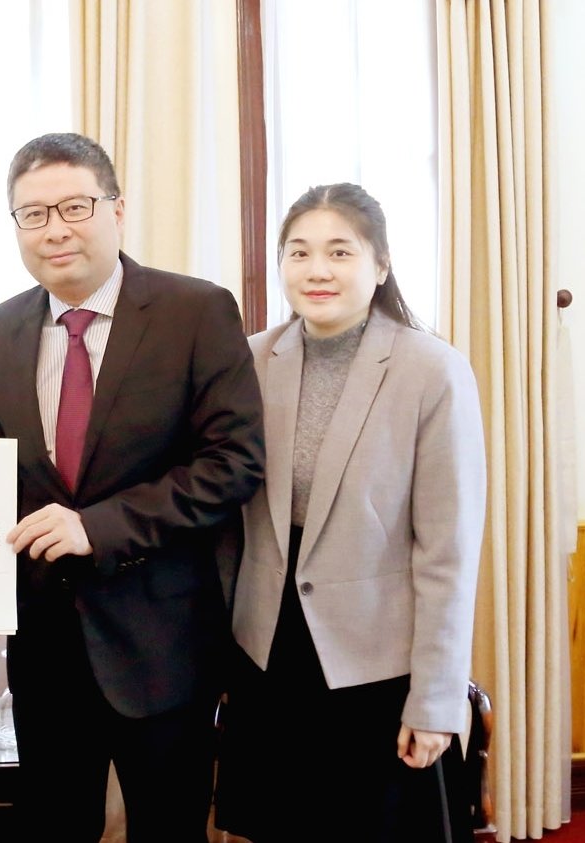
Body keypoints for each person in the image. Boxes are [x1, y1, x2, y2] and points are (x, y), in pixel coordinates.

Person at [0, 133, 265, 842]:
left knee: (168, 826)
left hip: (163, 643)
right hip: (45, 647)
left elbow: (233, 461)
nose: (56, 228)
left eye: (75, 205)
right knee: (52, 823)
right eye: (33, 214)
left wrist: (96, 525)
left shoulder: (195, 311)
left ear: (117, 209)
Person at [213, 183, 486, 842]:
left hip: (376, 664)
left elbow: (447, 551)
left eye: (340, 251)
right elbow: (225, 520)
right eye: (299, 251)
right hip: (269, 653)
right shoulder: (248, 360)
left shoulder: (432, 369)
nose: (318, 269)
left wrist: (436, 697)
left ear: (381, 265)